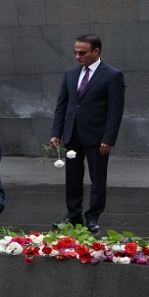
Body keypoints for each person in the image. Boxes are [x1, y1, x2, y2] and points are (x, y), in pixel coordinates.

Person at [50, 34, 125, 234]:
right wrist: (56, 132)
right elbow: (62, 106)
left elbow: (115, 111)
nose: (77, 56)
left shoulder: (112, 75)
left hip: (98, 137)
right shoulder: (70, 74)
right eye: (75, 52)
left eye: (82, 53)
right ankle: (73, 214)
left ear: (96, 52)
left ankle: (92, 217)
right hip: (72, 134)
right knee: (72, 177)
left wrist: (108, 138)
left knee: (98, 178)